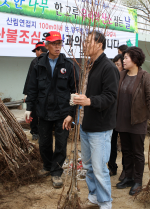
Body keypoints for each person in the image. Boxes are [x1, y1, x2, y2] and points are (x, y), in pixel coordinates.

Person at [25, 31, 79, 188]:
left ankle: (56, 172)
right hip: (43, 110)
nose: (57, 46)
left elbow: (75, 91)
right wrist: (29, 107)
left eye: (59, 43)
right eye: (54, 44)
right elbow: (32, 87)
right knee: (44, 142)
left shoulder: (69, 65)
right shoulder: (37, 63)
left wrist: (71, 114)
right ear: (46, 46)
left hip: (63, 113)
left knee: (61, 144)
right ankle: (47, 166)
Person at [73, 31, 119, 209]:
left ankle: (105, 202)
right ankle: (93, 194)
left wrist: (89, 101)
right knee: (87, 165)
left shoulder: (108, 67)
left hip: (100, 127)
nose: (84, 44)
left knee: (100, 168)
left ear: (99, 45)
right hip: (85, 123)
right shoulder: (89, 65)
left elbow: (110, 96)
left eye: (87, 41)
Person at [115, 47, 150, 196]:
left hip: (137, 120)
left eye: (126, 58)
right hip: (122, 119)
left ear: (135, 60)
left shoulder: (144, 76)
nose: (123, 60)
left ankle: (138, 181)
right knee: (126, 151)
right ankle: (128, 176)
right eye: (123, 58)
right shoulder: (121, 75)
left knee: (137, 152)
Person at [23, 41, 48, 141]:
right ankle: (43, 132)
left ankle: (35, 132)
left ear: (40, 50)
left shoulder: (35, 61)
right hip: (46, 94)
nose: (36, 53)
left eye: (36, 51)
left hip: (36, 94)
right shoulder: (52, 60)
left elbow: (30, 79)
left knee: (33, 113)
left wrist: (27, 94)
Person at [108, 53, 124, 177]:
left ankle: (126, 170)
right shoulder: (111, 77)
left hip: (123, 117)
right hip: (112, 116)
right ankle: (112, 166)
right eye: (115, 64)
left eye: (118, 65)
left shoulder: (127, 78)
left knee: (125, 144)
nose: (115, 67)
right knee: (112, 143)